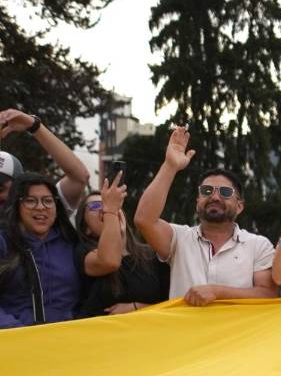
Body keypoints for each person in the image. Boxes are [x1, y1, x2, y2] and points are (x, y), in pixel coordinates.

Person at [134, 125, 277, 306]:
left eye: (225, 192)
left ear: (240, 206)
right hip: (186, 333)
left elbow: (268, 294)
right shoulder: (179, 239)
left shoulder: (258, 245)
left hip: (238, 334)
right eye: (207, 190)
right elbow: (143, 219)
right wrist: (170, 166)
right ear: (197, 202)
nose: (215, 197)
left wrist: (218, 292)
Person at [73, 175, 169, 317]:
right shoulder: (84, 252)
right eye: (96, 205)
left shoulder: (151, 254)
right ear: (86, 228)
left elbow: (170, 303)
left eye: (109, 203)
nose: (105, 208)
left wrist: (138, 308)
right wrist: (110, 211)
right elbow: (110, 261)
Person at [0, 174, 81, 327]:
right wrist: (16, 329)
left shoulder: (73, 243)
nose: (40, 207)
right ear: (16, 206)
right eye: (30, 201)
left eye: (48, 201)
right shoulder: (4, 242)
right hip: (16, 340)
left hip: (69, 340)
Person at [0, 109, 90, 216]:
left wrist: (34, 126)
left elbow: (79, 178)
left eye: (0, 188)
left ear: (19, 189)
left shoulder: (39, 214)